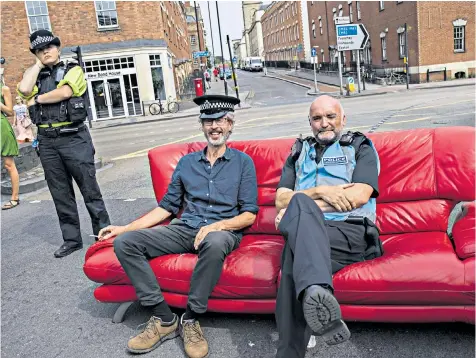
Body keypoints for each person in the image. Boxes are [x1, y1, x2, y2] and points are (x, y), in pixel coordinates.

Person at [98, 95, 258, 358]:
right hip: (185, 228)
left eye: (221, 120)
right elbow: (166, 208)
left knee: (215, 241)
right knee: (125, 243)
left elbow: (249, 214)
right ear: (202, 125)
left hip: (224, 231)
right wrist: (125, 228)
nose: (214, 126)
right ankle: (164, 319)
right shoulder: (187, 163)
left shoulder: (243, 163)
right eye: (208, 121)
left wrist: (217, 226)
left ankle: (191, 319)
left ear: (230, 125)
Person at [274, 95, 382, 358]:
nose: (324, 123)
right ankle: (315, 291)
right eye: (317, 118)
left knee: (295, 236)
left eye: (330, 116)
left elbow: (358, 196)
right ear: (309, 123)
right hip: (309, 234)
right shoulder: (298, 152)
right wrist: (324, 192)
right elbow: (280, 199)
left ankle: (290, 351)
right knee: (297, 230)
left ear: (343, 118)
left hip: (351, 233)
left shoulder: (359, 146)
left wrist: (298, 209)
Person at [17, 30, 110, 258]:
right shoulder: (36, 74)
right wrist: (37, 66)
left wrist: (36, 100)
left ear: (58, 47)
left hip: (74, 138)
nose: (45, 51)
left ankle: (104, 235)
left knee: (90, 190)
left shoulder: (73, 70)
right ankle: (72, 240)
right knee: (60, 193)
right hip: (47, 141)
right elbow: (24, 90)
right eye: (40, 49)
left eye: (49, 46)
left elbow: (65, 92)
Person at [1, 76, 20, 210]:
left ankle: (15, 198)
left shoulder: (4, 89)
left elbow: (10, 111)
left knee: (9, 164)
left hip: (1, 128)